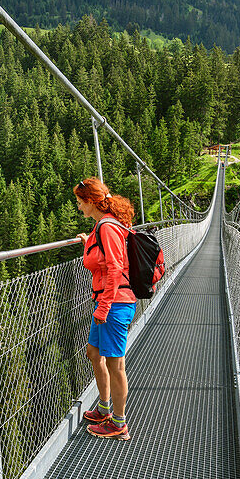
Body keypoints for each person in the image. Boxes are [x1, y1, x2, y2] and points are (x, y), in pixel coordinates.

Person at [74, 177, 138, 441]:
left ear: (91, 202)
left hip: (114, 304)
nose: (78, 208)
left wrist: (104, 308)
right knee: (93, 352)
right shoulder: (101, 228)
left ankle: (119, 424)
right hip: (106, 302)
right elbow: (103, 256)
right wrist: (88, 241)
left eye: (80, 202)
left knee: (115, 364)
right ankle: (103, 409)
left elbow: (113, 268)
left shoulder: (107, 228)